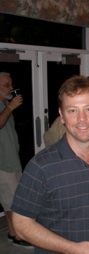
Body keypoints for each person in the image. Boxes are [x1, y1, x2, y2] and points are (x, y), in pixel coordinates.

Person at [11, 75, 89, 254]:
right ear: (62, 116)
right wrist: (73, 249)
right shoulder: (40, 166)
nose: (82, 119)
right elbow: (20, 224)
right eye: (72, 110)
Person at [0, 72, 33, 248]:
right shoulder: (6, 107)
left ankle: (13, 234)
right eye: (6, 85)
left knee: (11, 201)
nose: (11, 88)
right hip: (2, 164)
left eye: (11, 84)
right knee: (11, 202)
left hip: (11, 160)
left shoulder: (4, 104)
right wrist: (11, 107)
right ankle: (20, 236)